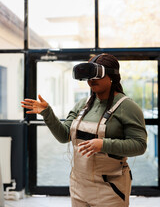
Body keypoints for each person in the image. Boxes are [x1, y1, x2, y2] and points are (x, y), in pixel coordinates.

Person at [21, 53, 147, 207]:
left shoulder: (127, 107)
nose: (91, 81)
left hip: (110, 188)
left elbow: (140, 145)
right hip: (79, 185)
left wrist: (103, 144)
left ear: (112, 76)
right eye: (88, 76)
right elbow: (64, 135)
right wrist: (47, 113)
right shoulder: (83, 105)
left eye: (96, 75)